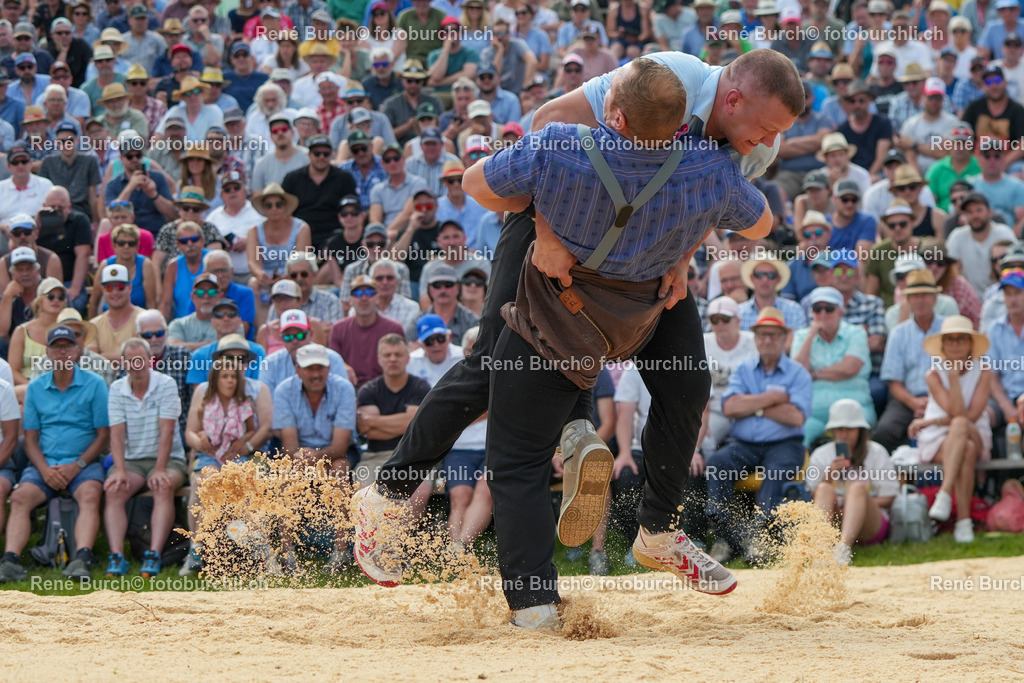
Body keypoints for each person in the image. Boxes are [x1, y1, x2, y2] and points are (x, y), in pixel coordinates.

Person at [357, 49, 802, 608]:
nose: (766, 143)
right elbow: (547, 126)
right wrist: (546, 233)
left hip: (644, 251)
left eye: (777, 133)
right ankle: (391, 493)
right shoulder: (666, 80)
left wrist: (683, 257)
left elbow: (720, 205)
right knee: (496, 363)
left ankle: (657, 528)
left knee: (686, 378)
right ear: (731, 101)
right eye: (763, 128)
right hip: (555, 224)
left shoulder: (757, 141)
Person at [0, 325, 109, 583]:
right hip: (44, 464)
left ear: (77, 350)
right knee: (19, 497)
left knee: (90, 494)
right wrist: (46, 470)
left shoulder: (95, 384)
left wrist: (77, 465)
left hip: (83, 463)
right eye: (57, 347)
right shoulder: (36, 388)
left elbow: (103, 435)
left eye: (67, 346)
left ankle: (82, 558)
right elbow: (31, 440)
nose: (62, 352)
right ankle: (11, 561)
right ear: (47, 352)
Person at [707, 307, 812, 565]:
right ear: (755, 338)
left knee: (776, 471)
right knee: (717, 463)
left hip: (785, 444)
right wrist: (774, 399)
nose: (767, 340)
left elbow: (797, 417)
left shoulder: (798, 372)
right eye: (763, 335)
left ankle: (760, 540)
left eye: (773, 335)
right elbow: (730, 407)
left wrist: (753, 405)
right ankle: (725, 537)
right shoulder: (744, 369)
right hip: (745, 444)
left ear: (784, 338)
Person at [103, 337, 188, 578]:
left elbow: (168, 431)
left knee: (162, 485)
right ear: (123, 363)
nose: (136, 364)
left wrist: (160, 468)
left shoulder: (166, 384)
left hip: (169, 458)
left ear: (151, 360)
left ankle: (153, 554)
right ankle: (117, 556)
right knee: (114, 490)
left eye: (140, 359)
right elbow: (116, 435)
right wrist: (119, 470)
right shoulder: (117, 389)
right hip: (132, 461)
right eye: (131, 361)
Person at [274, 342, 357, 572]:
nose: (315, 374)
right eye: (309, 369)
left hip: (335, 454)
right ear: (298, 370)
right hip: (300, 455)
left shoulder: (343, 389)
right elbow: (289, 445)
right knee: (287, 473)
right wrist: (302, 457)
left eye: (320, 368)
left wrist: (315, 457)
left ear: (328, 368)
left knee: (340, 471)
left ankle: (341, 553)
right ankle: (286, 553)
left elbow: (341, 445)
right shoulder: (283, 390)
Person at [911, 315, 992, 543]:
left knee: (961, 426)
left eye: (961, 339)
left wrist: (932, 421)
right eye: (950, 339)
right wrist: (953, 376)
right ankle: (964, 522)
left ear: (970, 344)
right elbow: (957, 414)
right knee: (964, 448)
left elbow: (970, 416)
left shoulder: (984, 371)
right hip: (942, 439)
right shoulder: (933, 374)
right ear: (943, 345)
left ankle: (945, 494)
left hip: (974, 430)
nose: (955, 343)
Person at [805, 399, 898, 566]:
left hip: (870, 523)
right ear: (832, 431)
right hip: (836, 519)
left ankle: (843, 548)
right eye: (839, 429)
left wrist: (854, 504)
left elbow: (889, 497)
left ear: (860, 431)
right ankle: (822, 547)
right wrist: (829, 475)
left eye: (849, 429)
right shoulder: (821, 454)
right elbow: (814, 495)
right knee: (824, 487)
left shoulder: (876, 452)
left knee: (857, 489)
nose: (844, 434)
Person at [791, 286, 875, 447]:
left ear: (840, 312)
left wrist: (814, 373)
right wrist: (810, 335)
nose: (823, 314)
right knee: (796, 441)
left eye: (829, 309)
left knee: (854, 445)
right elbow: (798, 372)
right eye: (817, 309)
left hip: (853, 407)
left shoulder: (856, 333)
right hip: (814, 411)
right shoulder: (802, 336)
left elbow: (850, 368)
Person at [874, 270, 946, 452]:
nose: (920, 300)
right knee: (884, 432)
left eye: (925, 295)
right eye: (915, 296)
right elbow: (894, 382)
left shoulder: (948, 329)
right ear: (908, 300)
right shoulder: (899, 333)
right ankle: (895, 477)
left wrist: (936, 402)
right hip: (907, 399)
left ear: (935, 298)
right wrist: (914, 402)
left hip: (946, 398)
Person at [701, 296, 756, 453]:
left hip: (747, 411)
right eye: (714, 319)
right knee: (703, 441)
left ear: (738, 321)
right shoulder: (701, 342)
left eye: (725, 319)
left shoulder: (753, 342)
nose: (720, 324)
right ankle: (708, 476)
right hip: (714, 411)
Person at [329, 274, 404, 387]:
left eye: (369, 293)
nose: (364, 298)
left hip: (384, 388)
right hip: (350, 386)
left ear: (377, 298)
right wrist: (343, 366)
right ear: (350, 299)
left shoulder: (393, 328)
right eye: (358, 294)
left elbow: (401, 362)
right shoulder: (338, 329)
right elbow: (333, 362)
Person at [90, 263, 144, 361]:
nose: (115, 292)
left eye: (120, 287)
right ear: (103, 290)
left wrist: (103, 355)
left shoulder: (144, 319)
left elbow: (142, 357)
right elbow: (91, 359)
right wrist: (126, 357)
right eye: (109, 288)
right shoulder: (94, 325)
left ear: (130, 288)